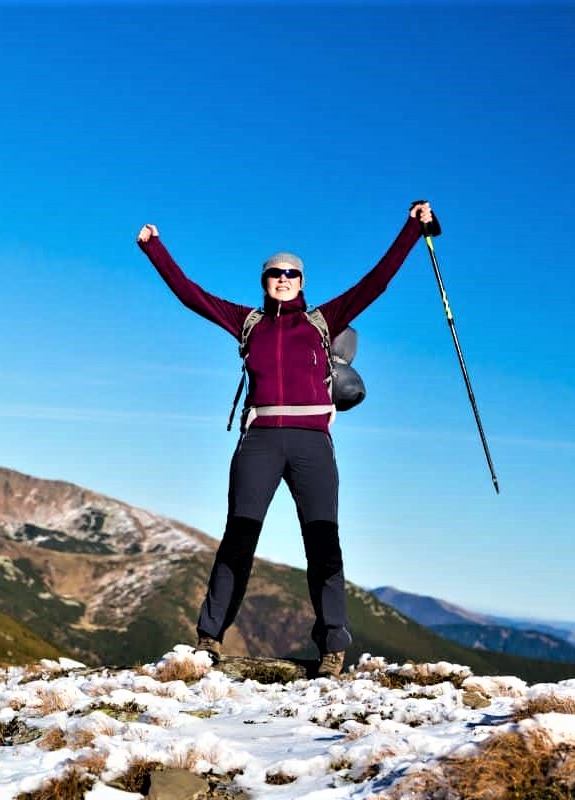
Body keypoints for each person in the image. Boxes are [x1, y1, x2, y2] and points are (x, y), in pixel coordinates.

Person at [135, 202, 434, 677]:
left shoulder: (322, 320)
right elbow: (190, 295)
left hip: (312, 444)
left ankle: (333, 647)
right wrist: (154, 249)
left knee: (323, 542)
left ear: (302, 281)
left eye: (292, 273)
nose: (284, 278)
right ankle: (209, 639)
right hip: (259, 442)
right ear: (264, 280)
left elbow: (376, 282)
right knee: (238, 538)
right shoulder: (248, 322)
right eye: (275, 273)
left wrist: (411, 230)